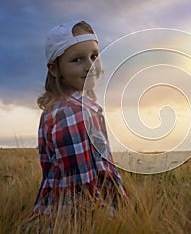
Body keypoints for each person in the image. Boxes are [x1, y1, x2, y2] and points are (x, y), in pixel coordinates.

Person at [33, 20, 128, 217]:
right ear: (54, 69)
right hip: (80, 217)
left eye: (94, 56)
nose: (90, 66)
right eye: (77, 60)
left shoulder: (60, 108)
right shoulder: (72, 114)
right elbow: (81, 187)